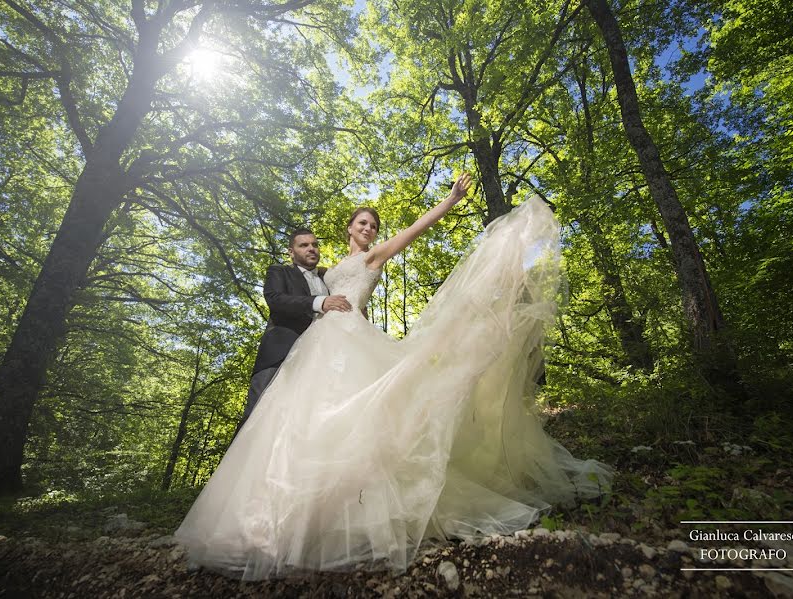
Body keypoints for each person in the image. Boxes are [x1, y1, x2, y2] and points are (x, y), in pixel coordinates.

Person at [175, 174, 612, 579]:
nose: (369, 228)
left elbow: (414, 231)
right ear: (348, 228)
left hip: (349, 337)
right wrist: (320, 302)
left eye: (373, 225)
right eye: (362, 222)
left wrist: (451, 200)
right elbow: (304, 295)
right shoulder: (323, 274)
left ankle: (346, 521)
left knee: (360, 419)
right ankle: (275, 523)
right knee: (298, 423)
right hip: (318, 345)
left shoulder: (374, 257)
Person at [238, 228, 352, 430]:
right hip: (280, 355)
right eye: (304, 245)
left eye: (315, 245)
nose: (311, 249)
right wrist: (320, 302)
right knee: (256, 420)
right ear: (291, 252)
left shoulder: (328, 278)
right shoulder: (279, 271)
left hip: (319, 362)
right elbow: (275, 300)